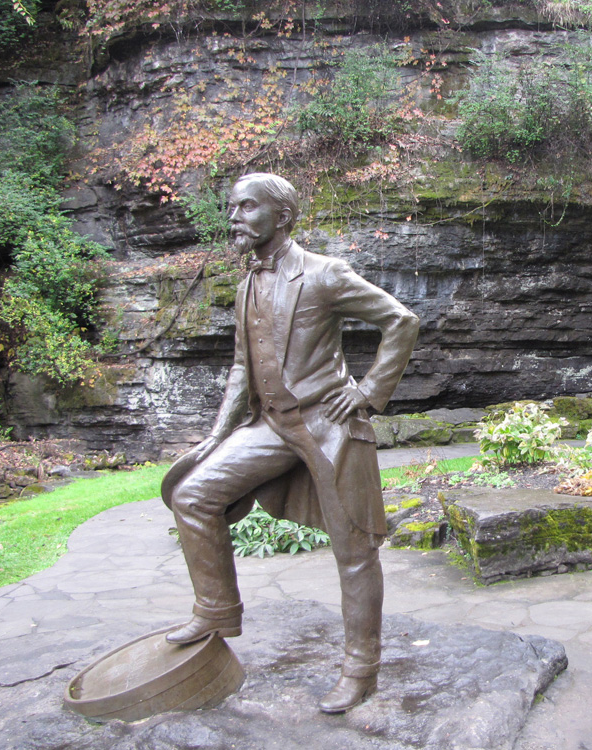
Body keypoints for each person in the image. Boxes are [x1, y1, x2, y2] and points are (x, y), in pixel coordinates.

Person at [160, 172, 419, 713]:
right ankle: (215, 610)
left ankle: (360, 670)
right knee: (190, 494)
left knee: (354, 551)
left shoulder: (325, 274)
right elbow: (240, 367)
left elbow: (401, 320)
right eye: (231, 207)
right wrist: (216, 435)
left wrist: (370, 391)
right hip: (270, 426)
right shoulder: (246, 284)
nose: (234, 217)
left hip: (328, 426)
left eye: (246, 207)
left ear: (282, 216)